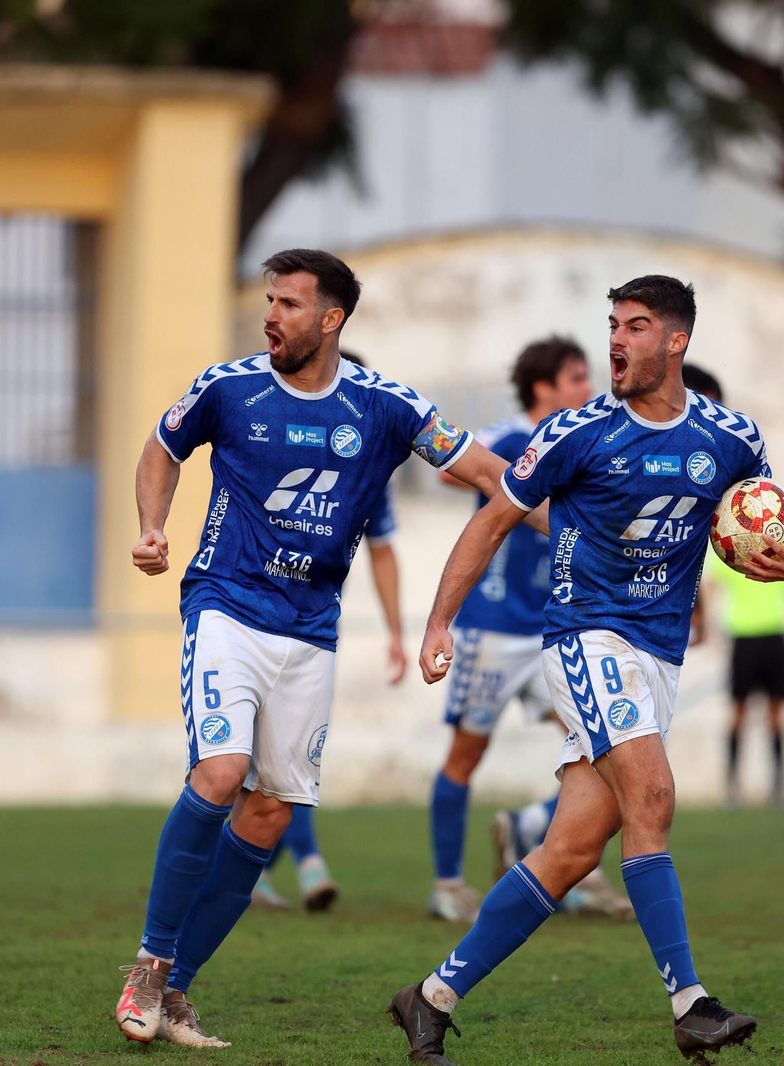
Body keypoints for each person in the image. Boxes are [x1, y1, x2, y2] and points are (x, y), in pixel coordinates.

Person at [388, 275, 784, 1064]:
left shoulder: (732, 439)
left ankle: (431, 997)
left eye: (637, 325)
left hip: (657, 656)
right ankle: (691, 1002)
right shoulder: (576, 432)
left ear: (677, 341)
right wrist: (438, 621)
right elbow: (493, 519)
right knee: (653, 794)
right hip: (586, 638)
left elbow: (779, 532)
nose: (617, 340)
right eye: (612, 325)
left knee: (569, 852)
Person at [117, 248, 536, 1048]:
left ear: (332, 319)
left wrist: (578, 528)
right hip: (225, 606)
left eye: (289, 304)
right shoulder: (229, 387)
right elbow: (162, 448)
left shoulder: (385, 406)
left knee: (270, 814)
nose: (271, 316)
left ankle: (176, 991)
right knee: (221, 772)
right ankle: (148, 963)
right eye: (269, 301)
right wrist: (151, 525)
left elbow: (490, 471)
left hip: (310, 631)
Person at [426, 336, 629, 923]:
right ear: (543, 387)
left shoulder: (584, 440)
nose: (587, 389)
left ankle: (542, 840)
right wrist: (507, 473)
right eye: (575, 379)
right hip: (491, 632)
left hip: (553, 629)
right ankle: (446, 884)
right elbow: (448, 471)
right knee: (465, 757)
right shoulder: (512, 437)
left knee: (607, 750)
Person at [251, 351, 408, 915]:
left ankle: (259, 874)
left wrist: (396, 633)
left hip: (313, 631)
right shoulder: (269, 438)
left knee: (287, 763)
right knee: (239, 767)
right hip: (244, 620)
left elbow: (384, 552)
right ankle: (296, 865)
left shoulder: (370, 468)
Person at [683, 364, 784, 808]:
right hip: (743, 635)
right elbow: (712, 583)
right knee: (738, 714)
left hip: (776, 634)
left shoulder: (779, 537)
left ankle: (778, 787)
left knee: (777, 715)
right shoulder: (731, 541)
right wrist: (707, 621)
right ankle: (734, 788)